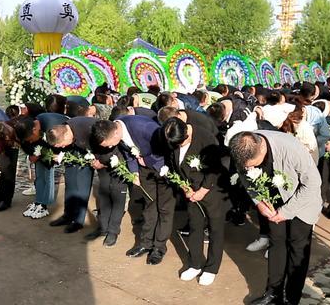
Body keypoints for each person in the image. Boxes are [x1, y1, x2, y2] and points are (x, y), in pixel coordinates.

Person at [230, 131, 322, 305]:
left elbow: (312, 183)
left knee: (297, 250)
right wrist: (258, 202)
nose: (249, 169)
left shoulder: (290, 148)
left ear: (262, 147)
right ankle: (273, 294)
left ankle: (292, 298)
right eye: (247, 166)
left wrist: (286, 212)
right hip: (272, 202)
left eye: (253, 165)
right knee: (276, 244)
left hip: (302, 202)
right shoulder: (240, 148)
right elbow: (244, 176)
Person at [91, 116, 171, 265]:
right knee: (150, 205)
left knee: (164, 209)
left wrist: (146, 161)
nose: (109, 148)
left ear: (114, 133)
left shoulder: (145, 128)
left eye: (108, 144)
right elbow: (128, 152)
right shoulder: (118, 127)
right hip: (144, 169)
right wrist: (134, 172)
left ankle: (158, 248)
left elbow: (166, 148)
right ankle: (146, 243)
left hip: (164, 168)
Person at [161, 118, 225, 286]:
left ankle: (211, 268)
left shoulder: (206, 139)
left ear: (188, 134)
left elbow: (214, 169)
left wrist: (203, 191)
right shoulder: (172, 136)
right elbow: (173, 165)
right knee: (195, 225)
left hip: (212, 190)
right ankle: (195, 263)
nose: (179, 147)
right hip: (190, 190)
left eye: (181, 144)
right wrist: (184, 187)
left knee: (215, 228)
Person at [46, 116, 97, 234]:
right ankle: (68, 215)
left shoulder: (86, 130)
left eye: (62, 144)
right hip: (73, 151)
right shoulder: (64, 128)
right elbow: (64, 146)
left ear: (66, 136)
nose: (62, 147)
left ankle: (78, 221)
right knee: (70, 183)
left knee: (81, 187)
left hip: (88, 153)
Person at [13, 112, 68, 219]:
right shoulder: (28, 128)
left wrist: (49, 155)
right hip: (40, 151)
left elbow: (58, 145)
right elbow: (26, 143)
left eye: (30, 139)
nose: (29, 141)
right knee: (39, 176)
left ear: (34, 131)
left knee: (47, 176)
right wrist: (32, 155)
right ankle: (38, 201)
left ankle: (44, 204)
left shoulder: (50, 126)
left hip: (55, 146)